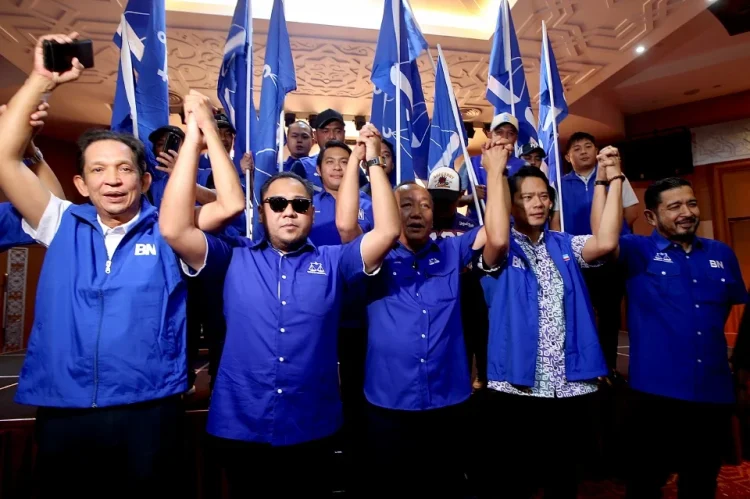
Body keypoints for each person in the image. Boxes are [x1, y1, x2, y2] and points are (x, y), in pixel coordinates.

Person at [158, 111, 400, 497]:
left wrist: (371, 160)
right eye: (278, 203)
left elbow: (386, 231)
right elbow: (174, 228)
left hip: (313, 424)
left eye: (300, 204)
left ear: (312, 213)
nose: (289, 211)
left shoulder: (334, 262)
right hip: (241, 424)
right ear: (263, 211)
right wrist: (195, 139)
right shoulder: (232, 257)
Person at [0, 33, 189, 498]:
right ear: (81, 184)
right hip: (65, 407)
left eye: (124, 169)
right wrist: (41, 81)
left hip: (150, 407)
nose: (113, 180)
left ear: (144, 180)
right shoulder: (58, 223)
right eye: (98, 170)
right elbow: (5, 157)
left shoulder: (170, 231)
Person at [337, 133, 506, 498]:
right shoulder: (376, 256)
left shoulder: (452, 250)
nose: (417, 212)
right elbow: (347, 227)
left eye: (426, 205)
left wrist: (495, 174)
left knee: (444, 487)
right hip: (388, 402)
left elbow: (496, 236)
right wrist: (358, 160)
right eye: (406, 205)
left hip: (449, 400)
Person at [478, 143, 624, 498]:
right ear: (511, 204)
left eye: (544, 196)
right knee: (517, 481)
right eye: (527, 197)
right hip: (517, 385)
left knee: (564, 479)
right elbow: (497, 236)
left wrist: (612, 178)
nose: (538, 204)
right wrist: (495, 172)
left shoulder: (564, 244)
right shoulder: (498, 246)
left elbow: (606, 242)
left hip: (568, 384)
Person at [610, 177, 748, 499]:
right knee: (645, 484)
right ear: (651, 217)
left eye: (691, 203)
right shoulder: (635, 250)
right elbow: (605, 240)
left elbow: (725, 307)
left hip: (712, 392)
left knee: (701, 483)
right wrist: (611, 178)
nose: (687, 212)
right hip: (655, 394)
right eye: (674, 207)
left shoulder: (721, 253)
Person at [560, 131, 640, 372]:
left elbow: (631, 212)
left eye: (588, 146)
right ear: (568, 157)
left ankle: (609, 368)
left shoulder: (616, 176)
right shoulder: (559, 184)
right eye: (577, 149)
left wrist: (611, 235)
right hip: (577, 259)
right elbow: (555, 222)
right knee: (577, 314)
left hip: (611, 257)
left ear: (596, 151)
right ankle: (582, 368)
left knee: (609, 314)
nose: (583, 151)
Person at [426, 166, 485, 392]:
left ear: (460, 196)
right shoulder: (418, 226)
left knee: (470, 350)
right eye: (437, 199)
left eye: (448, 200)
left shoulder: (470, 228)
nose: (441, 206)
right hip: (431, 303)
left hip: (466, 300)